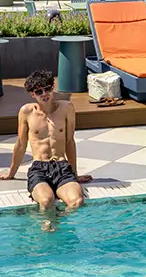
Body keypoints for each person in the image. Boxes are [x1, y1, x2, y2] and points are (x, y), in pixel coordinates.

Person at [0, 70, 92, 217]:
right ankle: (49, 228)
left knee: (77, 201)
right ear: (32, 94)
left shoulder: (66, 108)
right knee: (45, 200)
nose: (44, 94)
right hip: (39, 168)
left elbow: (69, 142)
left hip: (62, 167)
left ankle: (57, 224)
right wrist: (11, 173)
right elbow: (21, 145)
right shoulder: (27, 112)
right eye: (39, 91)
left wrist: (74, 174)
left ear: (53, 87)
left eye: (47, 89)